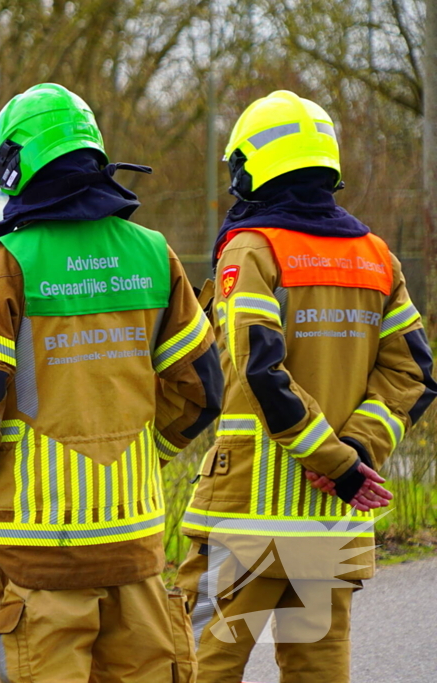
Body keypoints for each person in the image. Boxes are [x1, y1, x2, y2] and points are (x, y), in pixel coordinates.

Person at [0, 83, 223, 683]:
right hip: (135, 547)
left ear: (19, 165)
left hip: (38, 553)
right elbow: (203, 389)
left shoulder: (2, 264)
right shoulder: (153, 253)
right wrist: (147, 451)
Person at [175, 90, 437, 683]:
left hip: (246, 523)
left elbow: (260, 370)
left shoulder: (253, 248)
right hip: (331, 527)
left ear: (253, 166)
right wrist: (361, 454)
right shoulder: (377, 258)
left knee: (200, 670)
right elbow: (413, 374)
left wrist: (338, 462)